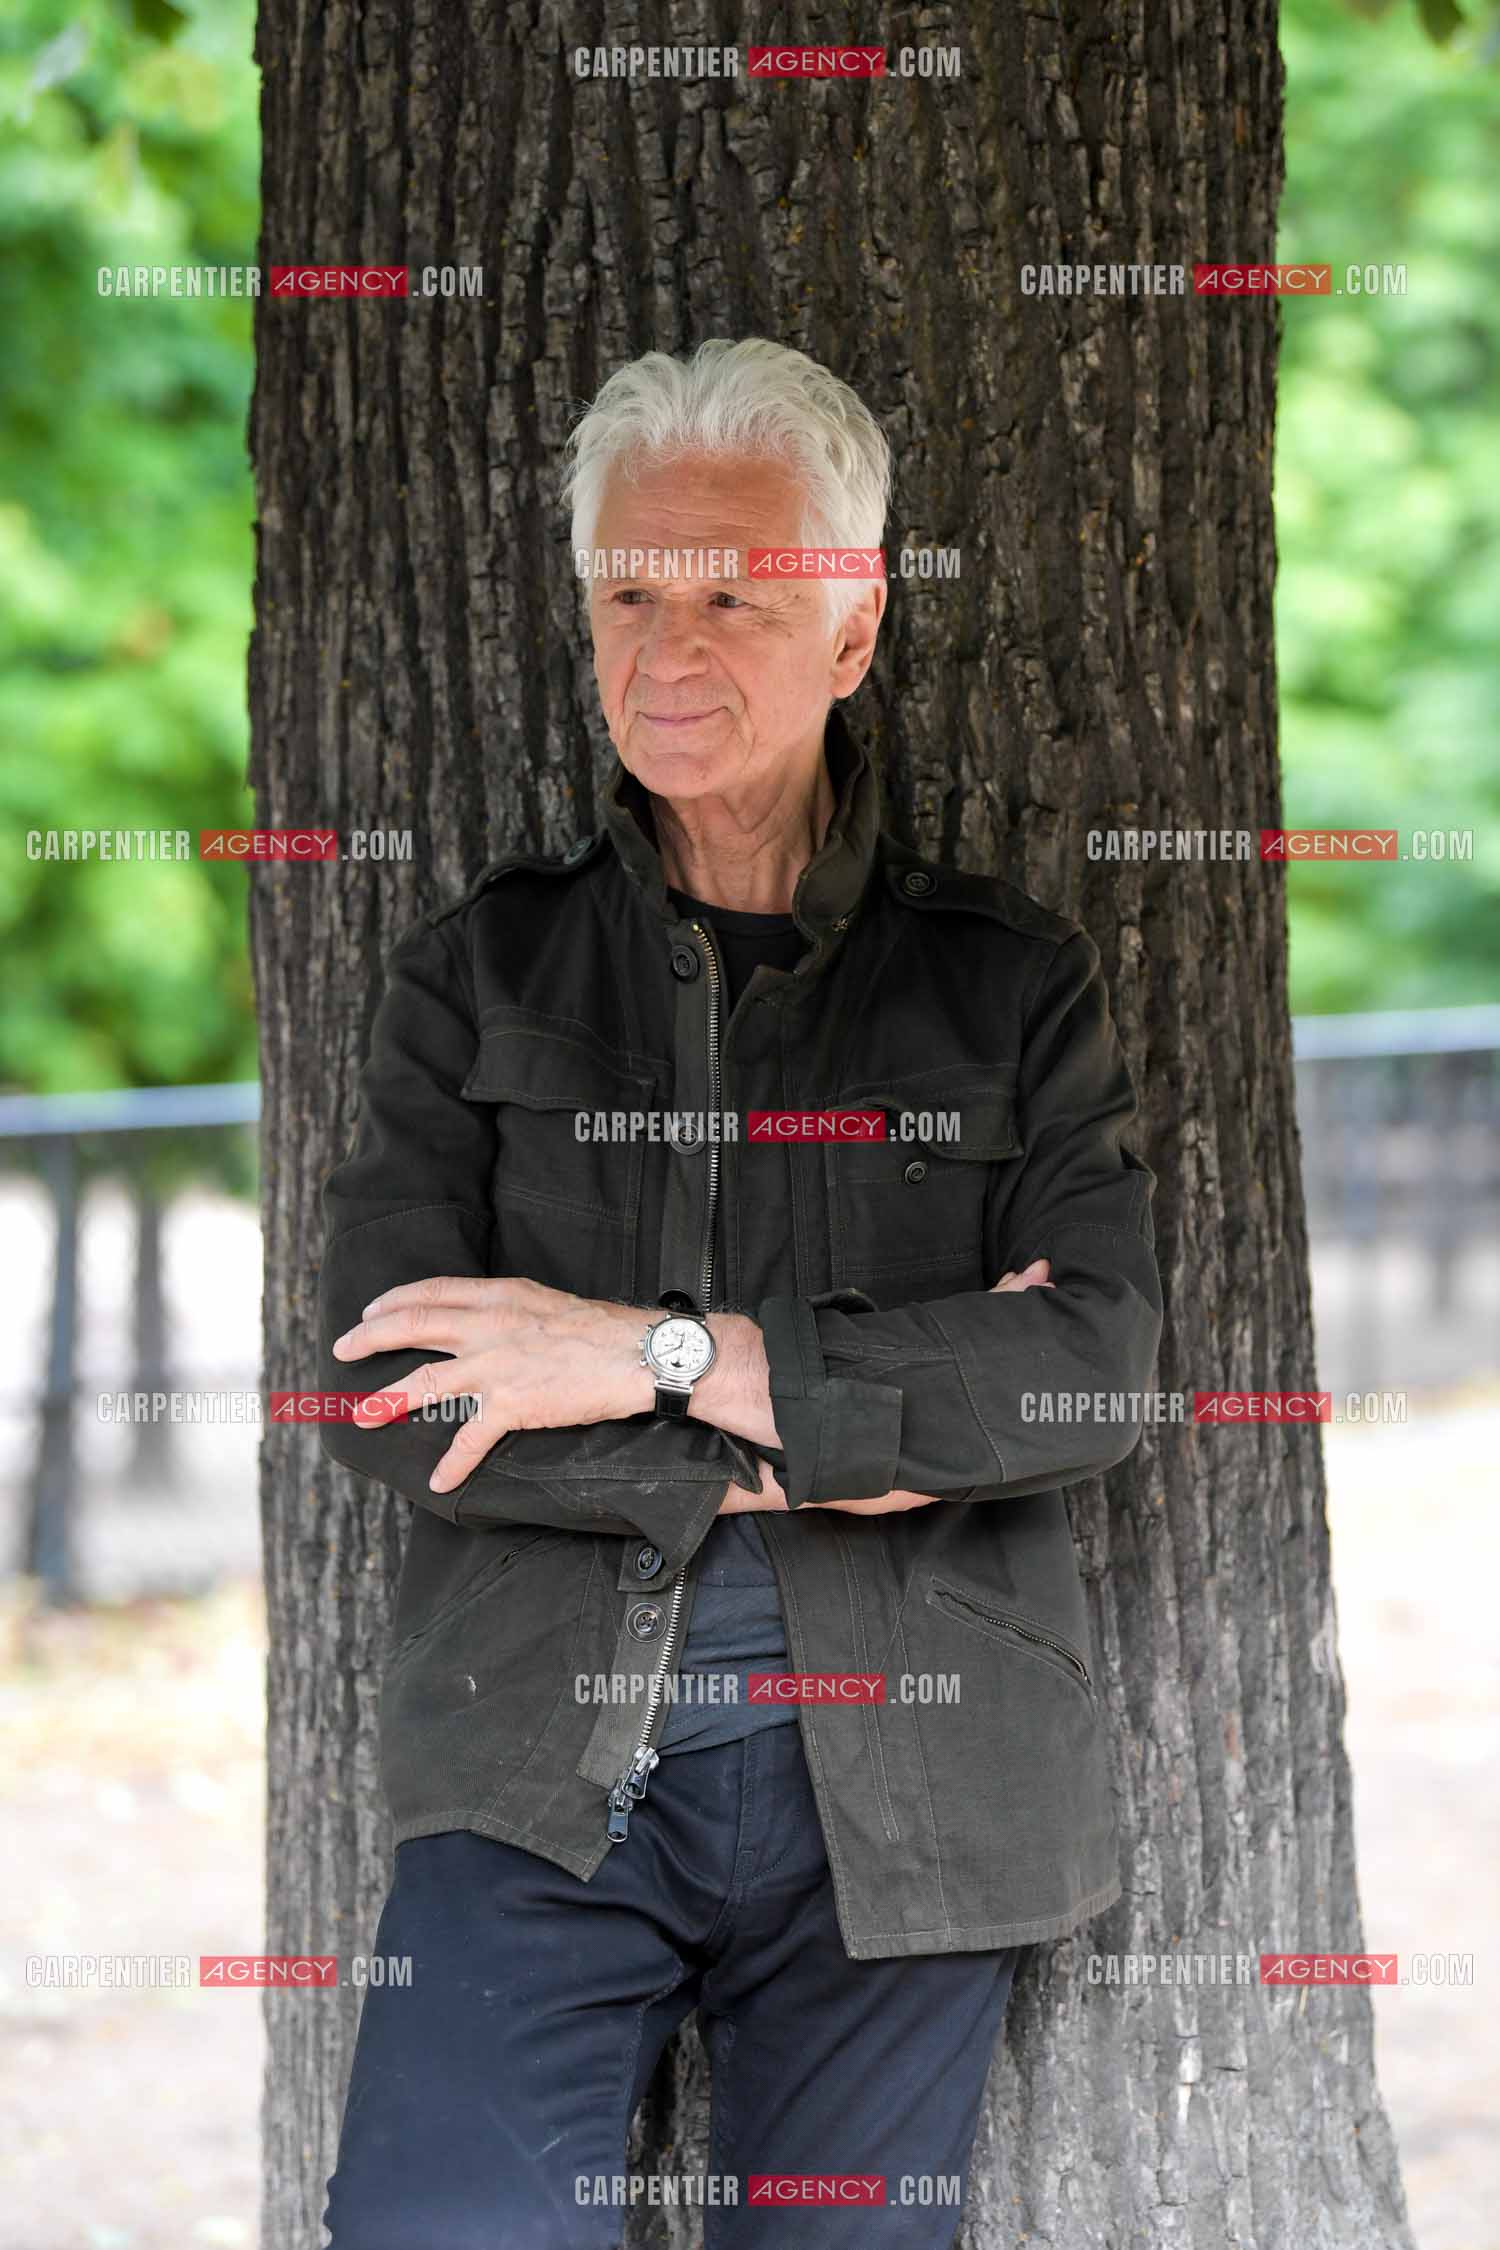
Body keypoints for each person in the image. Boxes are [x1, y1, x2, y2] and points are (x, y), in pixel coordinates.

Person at [316, 338, 1162, 2248]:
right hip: (538, 1767)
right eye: (629, 590)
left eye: (731, 593)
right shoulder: (480, 969)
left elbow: (1084, 1370)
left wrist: (633, 1353)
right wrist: (839, 1434)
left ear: (854, 631)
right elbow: (384, 1385)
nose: (665, 645)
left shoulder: (1009, 987)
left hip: (918, 1792)